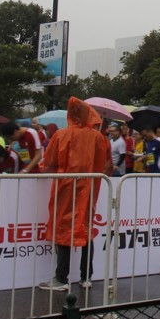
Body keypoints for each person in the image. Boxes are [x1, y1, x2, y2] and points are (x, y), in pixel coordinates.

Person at [39, 97, 112, 292]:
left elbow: (49, 163)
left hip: (66, 187)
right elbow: (107, 166)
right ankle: (86, 277)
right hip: (89, 189)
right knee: (86, 227)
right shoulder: (99, 138)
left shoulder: (61, 135)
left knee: (63, 227)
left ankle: (61, 277)